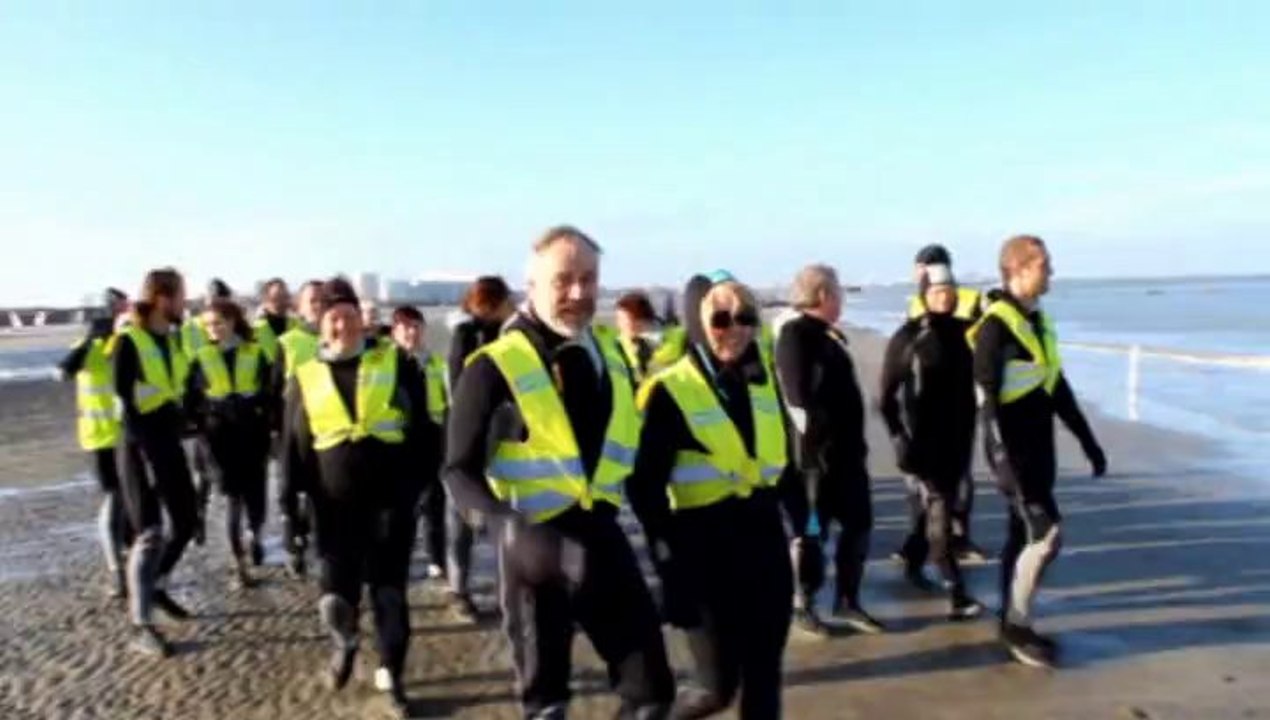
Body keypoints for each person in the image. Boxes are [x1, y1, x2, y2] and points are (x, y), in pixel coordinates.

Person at [443, 226, 676, 719]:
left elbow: (628, 455)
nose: (578, 292)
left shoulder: (611, 354)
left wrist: (664, 539)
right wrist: (500, 524)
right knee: (547, 707)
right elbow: (457, 472)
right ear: (531, 286)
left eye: (589, 279)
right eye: (563, 279)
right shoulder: (492, 367)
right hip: (532, 550)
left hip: (602, 537)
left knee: (652, 694)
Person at [629, 275, 809, 719]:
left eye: (746, 317)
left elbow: (786, 470)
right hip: (702, 554)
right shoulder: (672, 390)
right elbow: (644, 489)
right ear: (699, 323)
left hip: (764, 545)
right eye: (722, 319)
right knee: (717, 688)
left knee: (765, 679)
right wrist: (667, 564)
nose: (735, 329)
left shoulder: (764, 383)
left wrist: (810, 534)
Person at [281, 278, 442, 714]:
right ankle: (346, 640)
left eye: (350, 317)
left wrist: (418, 489)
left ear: (362, 321)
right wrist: (288, 511)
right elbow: (293, 451)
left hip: (391, 507)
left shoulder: (398, 365)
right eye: (333, 318)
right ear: (320, 324)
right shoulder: (306, 377)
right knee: (335, 602)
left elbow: (427, 434)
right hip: (332, 512)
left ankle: (392, 678)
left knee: (389, 597)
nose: (342, 326)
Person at [969, 235, 1108, 668]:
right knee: (1046, 534)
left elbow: (1056, 389)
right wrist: (999, 457)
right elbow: (985, 401)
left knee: (1021, 537)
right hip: (1013, 455)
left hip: (1040, 452)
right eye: (1044, 265)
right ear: (1017, 269)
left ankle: (1011, 618)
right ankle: (1017, 624)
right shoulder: (995, 327)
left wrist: (1088, 441)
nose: (1051, 272)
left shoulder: (1037, 323)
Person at [774, 264, 885, 637]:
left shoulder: (829, 335)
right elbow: (797, 397)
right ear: (823, 295)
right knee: (811, 534)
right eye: (838, 292)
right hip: (814, 462)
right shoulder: (794, 334)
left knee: (859, 526)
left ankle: (847, 600)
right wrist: (821, 439)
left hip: (848, 457)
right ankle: (803, 603)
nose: (841, 299)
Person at [879, 265, 984, 620]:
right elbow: (885, 398)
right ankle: (957, 592)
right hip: (922, 440)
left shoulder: (967, 332)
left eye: (950, 289)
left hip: (959, 438)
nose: (946, 295)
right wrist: (899, 439)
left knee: (938, 506)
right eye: (938, 290)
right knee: (940, 511)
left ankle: (912, 559)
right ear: (924, 295)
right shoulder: (909, 336)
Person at [112, 268, 197, 657]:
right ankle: (140, 624)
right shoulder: (129, 341)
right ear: (163, 297)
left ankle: (158, 583)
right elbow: (123, 400)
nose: (184, 303)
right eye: (180, 296)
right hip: (138, 445)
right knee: (149, 533)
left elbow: (172, 389)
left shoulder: (173, 340)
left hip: (168, 441)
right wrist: (143, 446)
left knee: (186, 521)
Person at [902, 244, 990, 565]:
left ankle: (959, 537)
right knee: (919, 478)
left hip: (959, 400)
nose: (916, 274)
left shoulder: (970, 300)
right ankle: (918, 539)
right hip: (920, 401)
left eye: (920, 267)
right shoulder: (914, 303)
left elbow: (983, 346)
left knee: (959, 475)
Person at [185, 299, 273, 589]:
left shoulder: (256, 354)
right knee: (233, 500)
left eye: (218, 323)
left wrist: (267, 420)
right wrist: (201, 422)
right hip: (219, 440)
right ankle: (239, 565)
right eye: (208, 325)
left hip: (253, 436)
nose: (214, 330)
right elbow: (190, 400)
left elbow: (271, 393)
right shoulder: (201, 358)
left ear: (233, 321)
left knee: (257, 499)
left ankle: (255, 536)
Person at [442, 274, 515, 621]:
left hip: (507, 436)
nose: (490, 309)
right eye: (484, 302)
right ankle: (459, 588)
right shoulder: (464, 334)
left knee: (506, 516)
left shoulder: (511, 333)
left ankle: (512, 588)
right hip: (471, 434)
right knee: (461, 516)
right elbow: (458, 386)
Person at [59, 287, 132, 599]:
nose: (122, 314)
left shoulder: (127, 342)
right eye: (118, 309)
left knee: (133, 498)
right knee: (114, 499)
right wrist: (92, 338)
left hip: (128, 435)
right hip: (99, 438)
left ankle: (129, 556)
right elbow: (63, 371)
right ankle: (115, 569)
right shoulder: (87, 347)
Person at [389, 305, 450, 581]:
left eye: (417, 327)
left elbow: (447, 402)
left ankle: (437, 558)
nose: (412, 332)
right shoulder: (386, 364)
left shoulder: (435, 363)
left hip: (432, 442)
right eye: (406, 327)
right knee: (402, 507)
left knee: (435, 503)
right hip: (399, 445)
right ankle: (400, 556)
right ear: (395, 331)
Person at [274, 279, 325, 577]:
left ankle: (317, 541)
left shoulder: (337, 337)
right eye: (312, 301)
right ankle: (293, 544)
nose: (318, 306)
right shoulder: (289, 342)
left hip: (326, 429)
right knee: (289, 491)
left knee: (320, 491)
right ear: (301, 306)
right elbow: (272, 390)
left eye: (322, 300)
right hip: (291, 429)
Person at [613, 290, 661, 384]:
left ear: (636, 318)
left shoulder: (676, 341)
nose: (617, 325)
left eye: (621, 319)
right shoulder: (618, 344)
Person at [252, 277, 298, 365]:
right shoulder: (255, 329)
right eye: (276, 297)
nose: (282, 301)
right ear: (266, 299)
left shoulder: (295, 324)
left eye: (285, 296)